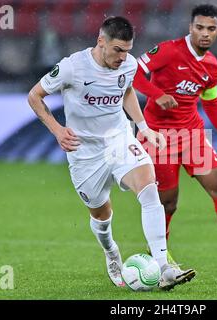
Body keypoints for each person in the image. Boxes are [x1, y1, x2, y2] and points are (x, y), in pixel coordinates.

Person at [27, 16, 195, 290]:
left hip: (119, 141)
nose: (123, 57)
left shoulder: (127, 65)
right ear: (101, 42)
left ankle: (164, 267)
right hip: (85, 153)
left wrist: (144, 127)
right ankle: (111, 252)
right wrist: (58, 130)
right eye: (118, 50)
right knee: (101, 216)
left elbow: (126, 89)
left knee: (149, 189)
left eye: (127, 50)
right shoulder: (72, 67)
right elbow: (34, 95)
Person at [133, 4, 217, 279]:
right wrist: (156, 94)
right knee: (168, 203)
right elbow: (132, 73)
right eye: (199, 28)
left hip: (192, 135)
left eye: (210, 29)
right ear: (190, 28)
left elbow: (212, 104)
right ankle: (161, 255)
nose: (204, 34)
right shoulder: (168, 51)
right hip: (159, 136)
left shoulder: (212, 66)